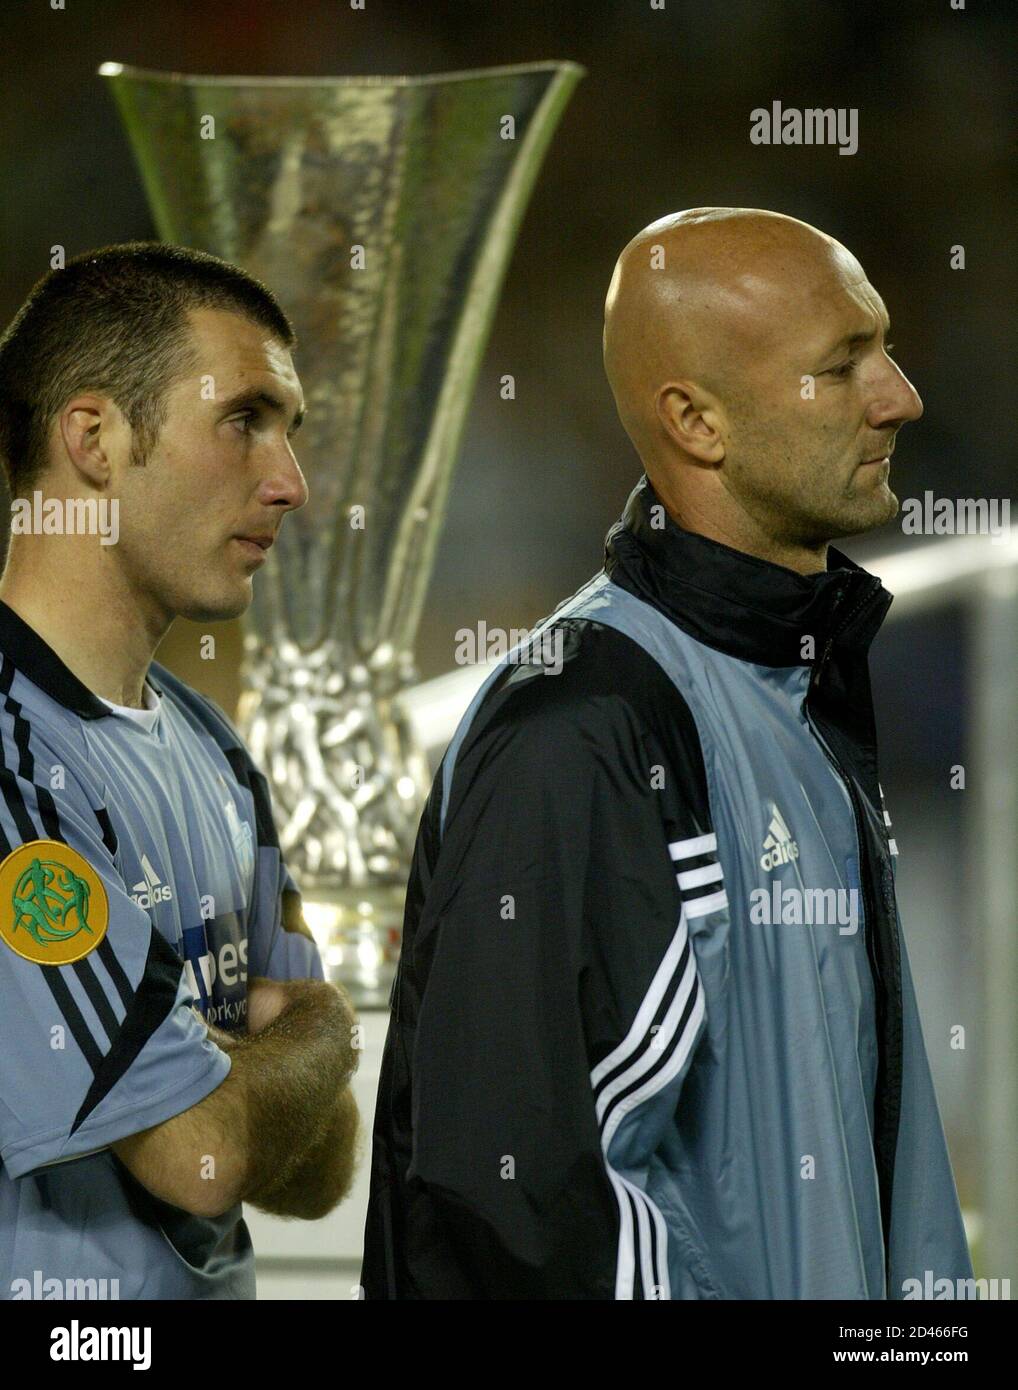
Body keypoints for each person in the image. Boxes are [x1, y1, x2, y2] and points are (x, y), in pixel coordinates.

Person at [360, 207, 974, 1299]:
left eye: (880, 345)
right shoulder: (584, 727)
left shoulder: (792, 670)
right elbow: (516, 1216)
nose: (900, 397)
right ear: (696, 421)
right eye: (842, 367)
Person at [0, 243, 359, 1301]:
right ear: (95, 440)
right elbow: (204, 1157)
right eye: (245, 420)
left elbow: (318, 1164)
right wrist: (318, 1028)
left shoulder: (214, 750)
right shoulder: (11, 767)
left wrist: (257, 1074)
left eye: (290, 431)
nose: (289, 483)